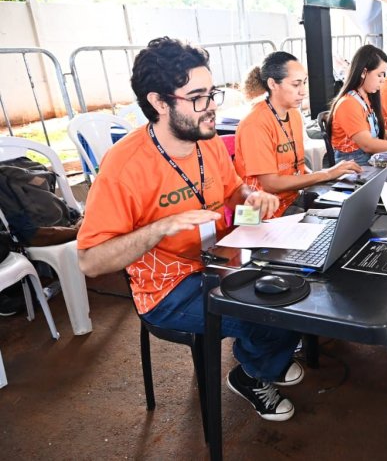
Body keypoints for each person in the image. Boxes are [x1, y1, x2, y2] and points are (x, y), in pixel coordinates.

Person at [77, 37, 303, 421]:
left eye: (212, 93)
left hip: (220, 260)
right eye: (197, 96)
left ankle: (261, 354)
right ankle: (251, 372)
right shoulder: (124, 165)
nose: (212, 105)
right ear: (159, 102)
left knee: (300, 283)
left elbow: (233, 189)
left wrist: (251, 195)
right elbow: (90, 261)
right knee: (272, 313)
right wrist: (161, 227)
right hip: (168, 289)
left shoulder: (207, 141)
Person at [234, 52, 362, 217]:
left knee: (351, 212)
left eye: (304, 83)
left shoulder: (293, 114)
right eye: (296, 85)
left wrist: (331, 178)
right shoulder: (254, 123)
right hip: (262, 214)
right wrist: (326, 174)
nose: (303, 91)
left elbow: (297, 168)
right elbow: (271, 184)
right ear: (273, 84)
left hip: (292, 200)